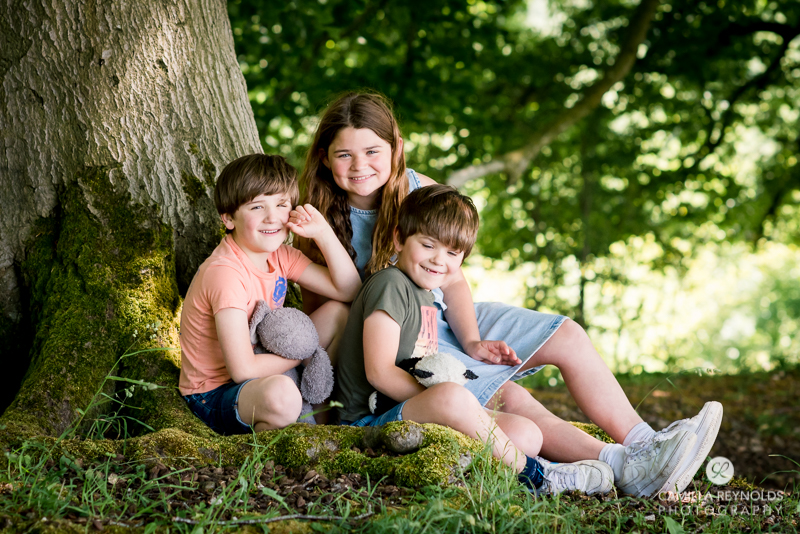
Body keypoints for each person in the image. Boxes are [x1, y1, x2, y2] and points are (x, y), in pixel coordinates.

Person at [297, 92, 722, 497]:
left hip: (442, 315)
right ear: (325, 156)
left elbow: (453, 277)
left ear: (396, 148)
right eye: (344, 154)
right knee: (513, 403)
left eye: (373, 151)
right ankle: (610, 467)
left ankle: (646, 445)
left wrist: (472, 340)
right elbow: (330, 318)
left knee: (567, 334)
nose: (360, 166)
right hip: (401, 339)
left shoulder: (417, 189)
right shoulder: (315, 217)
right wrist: (323, 414)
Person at [334, 184, 622, 496]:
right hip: (368, 421)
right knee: (454, 399)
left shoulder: (429, 297)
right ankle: (539, 476)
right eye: (428, 245)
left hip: (416, 413)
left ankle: (507, 463)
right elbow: (379, 372)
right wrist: (457, 405)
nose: (438, 260)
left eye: (452, 252)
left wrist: (465, 408)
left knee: (527, 434)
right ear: (399, 239)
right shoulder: (390, 284)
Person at [179, 154, 361, 435]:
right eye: (256, 207)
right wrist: (303, 353)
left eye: (281, 204)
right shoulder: (225, 273)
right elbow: (242, 370)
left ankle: (320, 424)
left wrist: (323, 233)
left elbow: (349, 291)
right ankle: (270, 447)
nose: (272, 217)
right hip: (216, 393)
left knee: (340, 314)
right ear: (228, 218)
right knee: (283, 394)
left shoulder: (281, 255)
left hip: (267, 368)